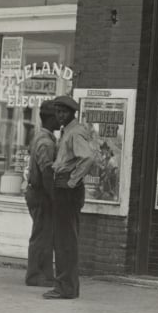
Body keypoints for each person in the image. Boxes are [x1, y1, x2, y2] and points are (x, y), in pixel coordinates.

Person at [44, 95, 96, 300]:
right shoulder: (67, 131)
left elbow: (88, 157)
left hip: (67, 189)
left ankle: (65, 288)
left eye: (63, 112)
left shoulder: (74, 133)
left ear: (72, 113)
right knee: (63, 238)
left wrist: (72, 180)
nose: (59, 115)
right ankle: (66, 286)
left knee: (65, 240)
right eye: (57, 112)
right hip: (62, 185)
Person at [23, 100, 58, 286]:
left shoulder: (40, 137)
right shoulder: (46, 143)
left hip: (36, 192)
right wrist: (54, 196)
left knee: (45, 233)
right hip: (41, 194)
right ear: (50, 119)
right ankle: (34, 275)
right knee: (41, 235)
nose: (61, 118)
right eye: (57, 115)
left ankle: (45, 273)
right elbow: (46, 173)